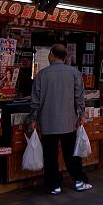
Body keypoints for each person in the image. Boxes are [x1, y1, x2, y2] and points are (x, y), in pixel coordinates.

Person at [29, 43, 92, 194]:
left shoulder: (42, 75)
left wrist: (33, 119)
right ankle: (78, 180)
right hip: (69, 121)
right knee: (72, 153)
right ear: (65, 57)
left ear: (51, 55)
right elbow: (79, 97)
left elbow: (35, 100)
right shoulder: (74, 73)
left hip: (48, 122)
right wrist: (81, 114)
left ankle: (54, 185)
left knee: (50, 155)